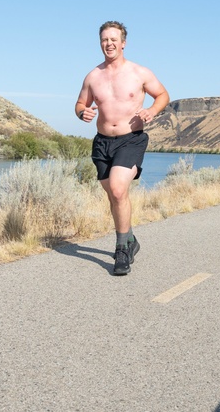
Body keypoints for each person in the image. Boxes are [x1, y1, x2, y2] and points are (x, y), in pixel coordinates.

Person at [74, 21, 169, 275]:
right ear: (100, 43)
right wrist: (82, 112)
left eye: (114, 39)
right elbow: (80, 103)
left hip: (131, 138)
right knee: (114, 197)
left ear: (123, 43)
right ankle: (130, 239)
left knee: (118, 189)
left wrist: (151, 110)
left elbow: (162, 95)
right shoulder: (93, 76)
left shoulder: (139, 73)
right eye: (105, 39)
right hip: (103, 142)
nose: (109, 43)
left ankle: (121, 251)